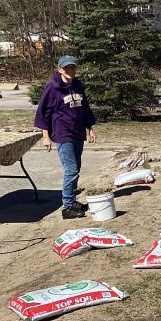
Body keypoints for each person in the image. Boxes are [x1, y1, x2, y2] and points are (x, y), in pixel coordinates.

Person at [34, 55, 97, 219]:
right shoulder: (52, 88)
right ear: (60, 69)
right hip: (62, 134)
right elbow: (43, 113)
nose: (70, 70)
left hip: (78, 133)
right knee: (71, 169)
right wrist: (45, 136)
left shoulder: (77, 85)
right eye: (67, 68)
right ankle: (67, 207)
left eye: (73, 67)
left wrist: (90, 128)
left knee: (76, 168)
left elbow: (85, 109)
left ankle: (72, 201)